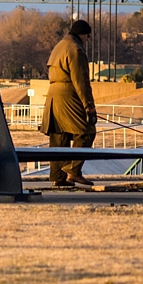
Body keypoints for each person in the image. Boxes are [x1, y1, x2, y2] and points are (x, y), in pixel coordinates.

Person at [40, 19, 96, 187]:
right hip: (68, 94)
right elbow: (81, 81)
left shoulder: (60, 46)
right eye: (88, 36)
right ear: (83, 34)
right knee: (86, 131)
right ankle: (73, 171)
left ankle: (58, 178)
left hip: (52, 96)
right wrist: (89, 106)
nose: (87, 40)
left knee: (59, 136)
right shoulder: (76, 49)